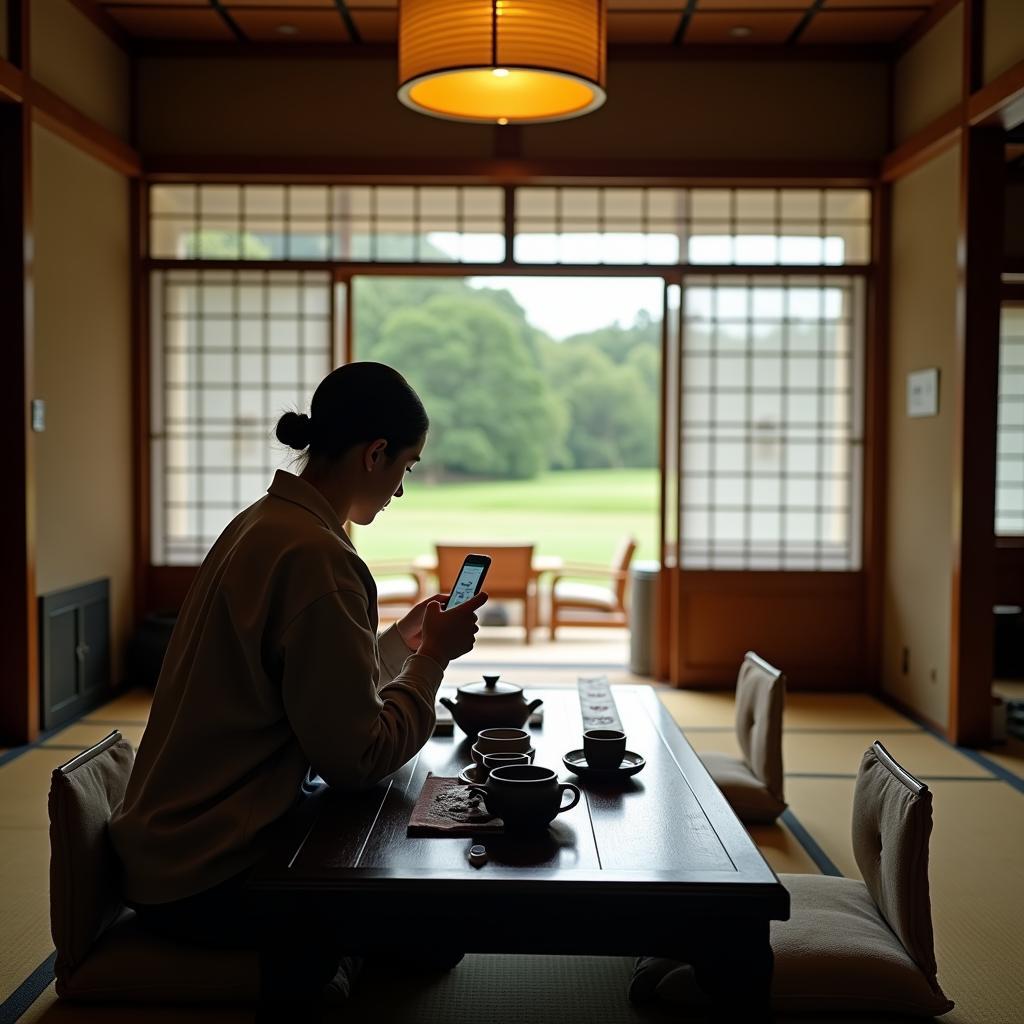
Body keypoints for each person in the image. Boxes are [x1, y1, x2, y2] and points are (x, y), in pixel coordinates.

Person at [110, 362, 486, 1019]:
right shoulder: (320, 557)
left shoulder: (263, 523)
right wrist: (435, 662)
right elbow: (356, 757)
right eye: (408, 466)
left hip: (165, 853)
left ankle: (331, 953)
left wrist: (404, 639)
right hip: (208, 874)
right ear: (375, 454)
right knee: (439, 930)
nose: (401, 489)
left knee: (400, 897)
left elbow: (322, 686)